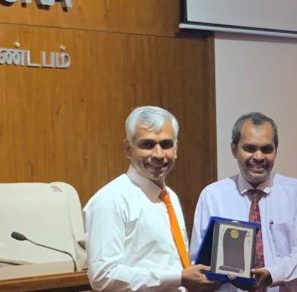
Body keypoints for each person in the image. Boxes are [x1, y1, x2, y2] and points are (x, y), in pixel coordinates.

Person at [84, 106, 218, 291]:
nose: (158, 154)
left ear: (176, 149)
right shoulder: (110, 200)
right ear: (128, 149)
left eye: (166, 144)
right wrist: (179, 278)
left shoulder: (170, 196)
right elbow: (103, 275)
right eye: (147, 145)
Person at [192, 112, 297, 291]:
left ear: (276, 150)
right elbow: (198, 263)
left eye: (266, 149)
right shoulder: (213, 195)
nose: (258, 157)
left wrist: (271, 275)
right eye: (250, 148)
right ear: (234, 150)